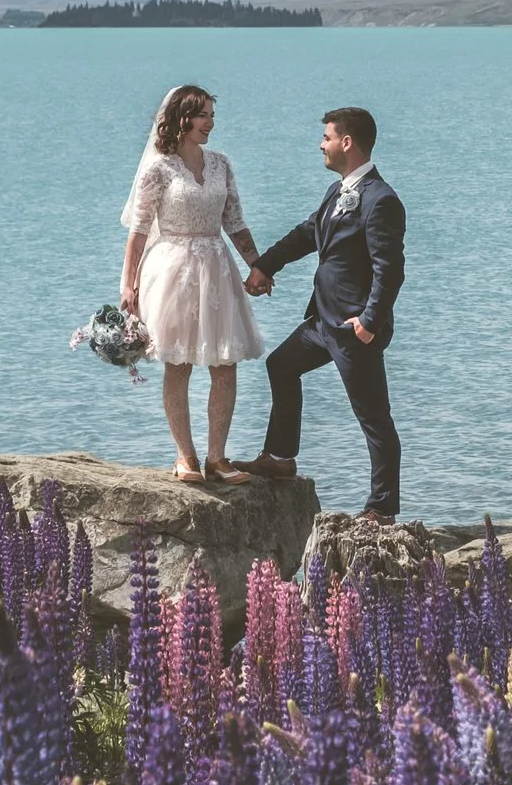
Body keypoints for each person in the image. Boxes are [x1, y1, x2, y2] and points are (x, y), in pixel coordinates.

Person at [240, 107, 407, 520]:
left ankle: (382, 508)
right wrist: (264, 265)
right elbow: (306, 234)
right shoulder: (337, 192)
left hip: (353, 329)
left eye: (327, 137)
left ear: (346, 143)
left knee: (373, 417)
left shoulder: (381, 200)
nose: (321, 145)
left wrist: (369, 322)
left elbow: (390, 270)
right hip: (321, 322)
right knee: (280, 366)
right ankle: (280, 457)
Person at [119, 84, 269, 484]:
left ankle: (217, 459)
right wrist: (127, 285)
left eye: (212, 115)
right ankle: (185, 457)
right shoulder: (159, 169)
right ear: (181, 119)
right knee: (179, 362)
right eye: (202, 115)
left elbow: (234, 222)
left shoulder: (221, 164)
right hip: (172, 270)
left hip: (217, 268)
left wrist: (258, 266)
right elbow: (138, 232)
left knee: (225, 364)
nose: (210, 123)